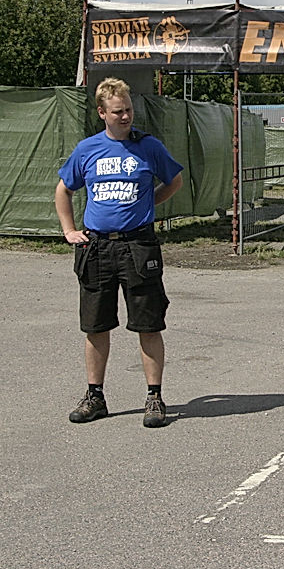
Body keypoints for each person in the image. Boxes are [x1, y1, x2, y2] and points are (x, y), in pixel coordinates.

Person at [55, 77, 184, 428]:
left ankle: (154, 398)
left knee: (148, 322)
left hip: (138, 246)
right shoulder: (88, 150)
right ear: (102, 113)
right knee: (96, 325)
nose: (125, 116)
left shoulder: (149, 147)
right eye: (117, 111)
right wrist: (69, 231)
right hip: (96, 247)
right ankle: (95, 396)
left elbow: (174, 180)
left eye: (128, 109)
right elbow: (63, 190)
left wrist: (149, 204)